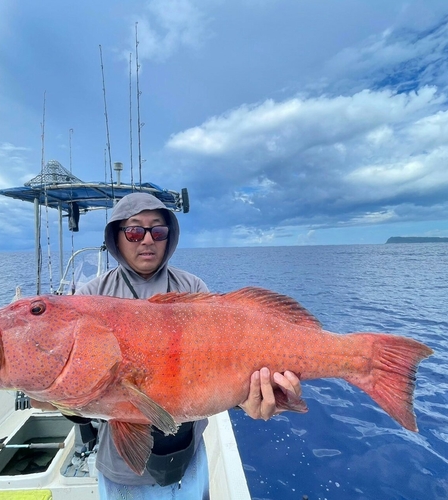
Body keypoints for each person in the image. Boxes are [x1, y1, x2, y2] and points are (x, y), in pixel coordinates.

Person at [37, 192, 302, 499]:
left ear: (169, 236)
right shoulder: (90, 296)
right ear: (117, 236)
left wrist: (251, 401)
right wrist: (58, 399)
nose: (146, 240)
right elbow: (83, 387)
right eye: (135, 231)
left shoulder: (193, 290)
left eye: (157, 231)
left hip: (188, 457)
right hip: (121, 468)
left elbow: (222, 368)